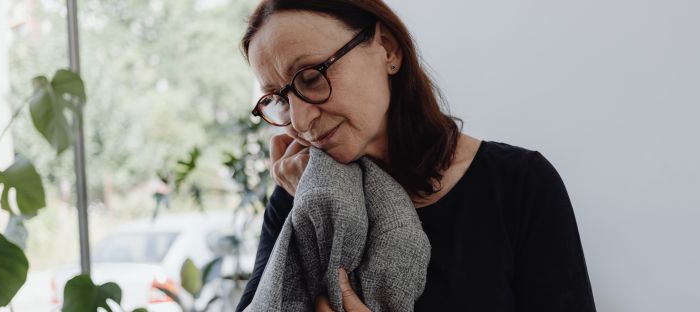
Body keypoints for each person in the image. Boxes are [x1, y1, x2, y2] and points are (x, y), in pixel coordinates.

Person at [236, 1, 597, 311]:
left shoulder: (518, 185)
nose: (299, 120)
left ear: (388, 49)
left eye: (312, 77)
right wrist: (319, 206)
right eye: (279, 99)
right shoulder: (302, 194)